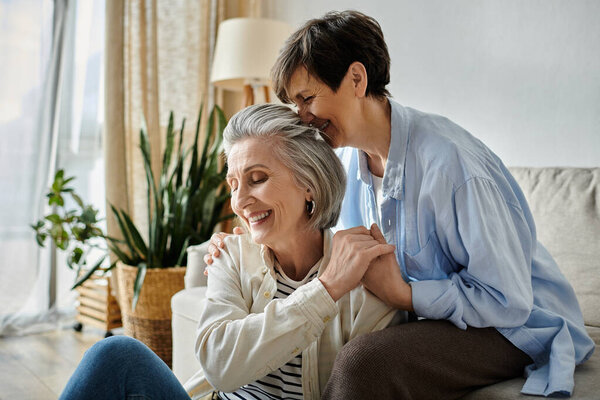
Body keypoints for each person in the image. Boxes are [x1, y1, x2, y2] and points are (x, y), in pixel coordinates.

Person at [205, 10, 595, 399]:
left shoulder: (451, 167)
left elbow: (507, 301)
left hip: (513, 326)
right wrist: (244, 245)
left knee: (365, 362)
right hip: (440, 320)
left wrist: (406, 296)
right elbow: (310, 229)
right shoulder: (344, 160)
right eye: (295, 104)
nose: (302, 118)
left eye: (307, 99)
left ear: (356, 79)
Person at [59, 103, 403, 400]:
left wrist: (335, 287)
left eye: (257, 178)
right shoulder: (233, 254)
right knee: (117, 353)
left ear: (309, 185)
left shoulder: (362, 279)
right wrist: (324, 291)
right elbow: (218, 364)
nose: (239, 201)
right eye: (234, 184)